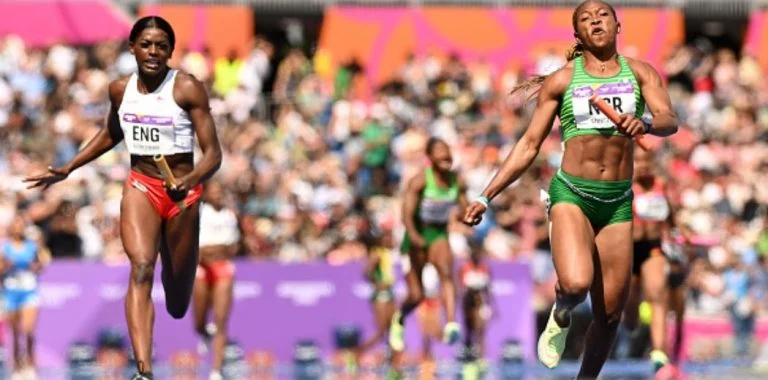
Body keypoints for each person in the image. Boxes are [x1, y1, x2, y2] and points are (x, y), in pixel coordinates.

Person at [462, 1, 678, 377]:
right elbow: (529, 145)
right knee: (576, 285)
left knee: (610, 315)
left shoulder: (641, 73)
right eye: (585, 18)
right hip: (572, 195)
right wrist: (486, 195)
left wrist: (644, 122)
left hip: (617, 204)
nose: (595, 20)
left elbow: (668, 119)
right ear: (577, 34)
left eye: (603, 15)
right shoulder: (562, 80)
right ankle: (561, 310)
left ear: (618, 24)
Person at [24, 16, 222, 380]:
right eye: (145, 44)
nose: (153, 52)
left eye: (162, 46)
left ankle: (175, 282)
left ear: (170, 52)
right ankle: (143, 371)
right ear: (132, 47)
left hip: (183, 196)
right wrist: (68, 167)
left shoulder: (187, 88)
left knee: (178, 302)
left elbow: (213, 155)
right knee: (141, 267)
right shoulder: (120, 90)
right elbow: (111, 133)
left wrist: (190, 178)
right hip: (141, 186)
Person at [389, 137, 468, 355]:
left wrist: (468, 218)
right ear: (430, 158)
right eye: (440, 151)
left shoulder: (457, 182)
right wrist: (414, 236)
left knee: (446, 273)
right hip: (417, 233)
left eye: (448, 151)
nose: (446, 156)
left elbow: (464, 208)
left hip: (439, 232)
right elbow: (406, 214)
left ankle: (451, 323)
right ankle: (400, 317)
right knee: (417, 295)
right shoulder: (420, 181)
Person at [622, 148, 674, 371]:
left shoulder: (660, 185)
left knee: (658, 293)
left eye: (647, 161)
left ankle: (659, 352)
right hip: (628, 250)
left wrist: (678, 234)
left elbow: (671, 216)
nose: (643, 166)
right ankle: (631, 323)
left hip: (653, 247)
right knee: (631, 302)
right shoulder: (623, 185)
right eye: (638, 161)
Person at [192, 181, 240, 380]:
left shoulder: (229, 216)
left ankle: (216, 371)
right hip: (201, 270)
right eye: (215, 191)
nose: (218, 195)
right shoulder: (199, 213)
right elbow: (199, 252)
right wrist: (215, 250)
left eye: (221, 191)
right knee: (199, 319)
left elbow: (233, 248)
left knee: (221, 320)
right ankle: (203, 332)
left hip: (222, 269)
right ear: (206, 194)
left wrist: (213, 250)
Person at [1, 216, 50, 380]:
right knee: (15, 332)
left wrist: (36, 266)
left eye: (21, 225)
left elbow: (41, 266)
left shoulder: (32, 246)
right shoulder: (5, 247)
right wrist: (6, 265)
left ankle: (30, 364)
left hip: (29, 290)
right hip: (11, 291)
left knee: (28, 330)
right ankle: (16, 365)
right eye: (16, 225)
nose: (18, 228)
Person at [459, 249, 494, 362]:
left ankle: (481, 356)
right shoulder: (465, 268)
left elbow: (488, 287)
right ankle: (468, 354)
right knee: (469, 328)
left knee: (481, 329)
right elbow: (461, 286)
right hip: (469, 302)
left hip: (481, 302)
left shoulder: (484, 268)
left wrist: (491, 304)